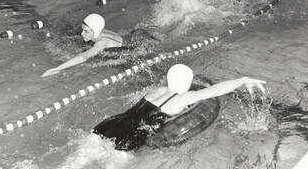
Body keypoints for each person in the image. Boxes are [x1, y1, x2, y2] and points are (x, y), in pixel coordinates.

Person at [93, 64, 266, 151]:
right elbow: (215, 90)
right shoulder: (182, 98)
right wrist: (242, 80)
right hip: (130, 137)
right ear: (188, 83)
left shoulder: (157, 90)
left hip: (112, 123)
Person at [42, 13, 122, 77]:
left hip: (119, 52)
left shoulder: (101, 43)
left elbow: (84, 56)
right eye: (82, 29)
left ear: (95, 31)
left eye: (86, 31)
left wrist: (59, 68)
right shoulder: (98, 31)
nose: (82, 33)